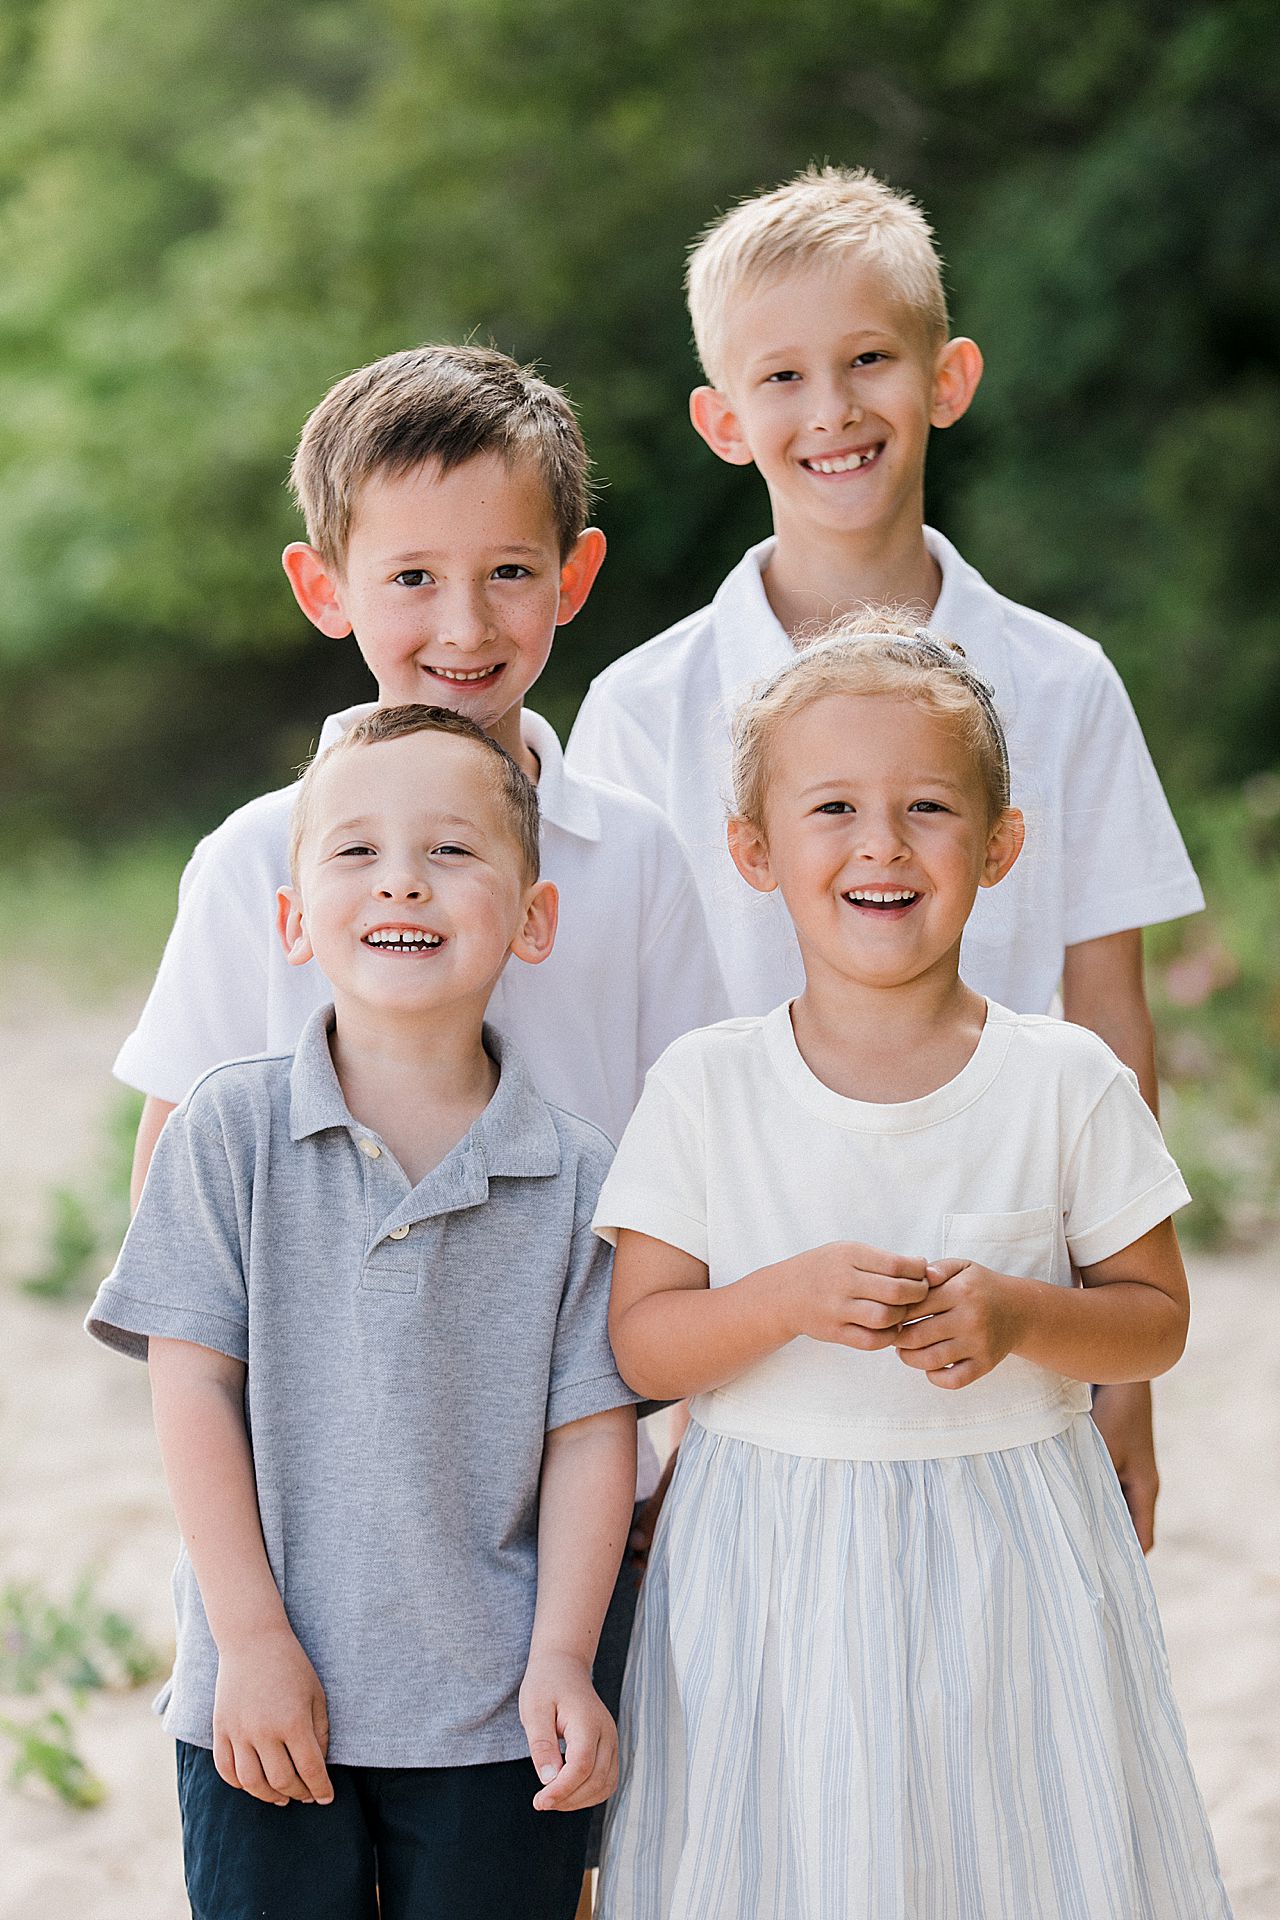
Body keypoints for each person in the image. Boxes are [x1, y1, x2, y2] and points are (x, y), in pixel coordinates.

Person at [112, 344, 726, 1910]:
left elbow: (695, 1167)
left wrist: (641, 1481)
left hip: (561, 1503)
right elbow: (177, 1195)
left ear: (574, 578)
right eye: (413, 579)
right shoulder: (255, 855)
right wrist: (242, 1587)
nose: (463, 627)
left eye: (508, 573)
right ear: (327, 589)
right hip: (309, 1510)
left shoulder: (636, 863)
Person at [565, 165, 1204, 1551]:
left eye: (869, 360)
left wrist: (1120, 1385)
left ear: (947, 378)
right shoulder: (641, 708)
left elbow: (1108, 1006)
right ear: (721, 423)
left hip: (1004, 1306)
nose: (833, 410)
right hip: (741, 1324)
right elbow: (598, 1041)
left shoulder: (1063, 682)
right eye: (781, 377)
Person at [591, 624, 1232, 1920]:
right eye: (833, 808)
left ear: (998, 848)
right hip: (767, 1567)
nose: (881, 843)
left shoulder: (1063, 1080)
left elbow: (1155, 1322)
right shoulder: (707, 1086)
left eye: (927, 809)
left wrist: (1021, 1315)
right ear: (755, 850)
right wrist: (778, 1299)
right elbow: (640, 1347)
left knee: (1019, 1855)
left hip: (1013, 1559)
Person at [87, 706, 639, 1920]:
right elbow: (189, 1388)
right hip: (266, 1696)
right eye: (353, 852)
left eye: (452, 851)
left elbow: (590, 1436)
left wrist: (561, 1658)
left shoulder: (584, 1177)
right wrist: (249, 1641)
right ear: (291, 922)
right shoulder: (227, 1135)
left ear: (532, 919)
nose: (403, 880)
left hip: (496, 1713)